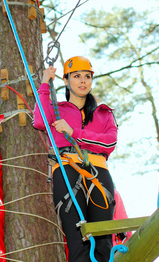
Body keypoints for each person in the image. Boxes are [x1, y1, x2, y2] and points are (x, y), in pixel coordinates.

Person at [33, 56, 117, 262]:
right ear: (66, 81)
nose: (82, 81)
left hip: (98, 172)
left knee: (103, 238)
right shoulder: (56, 110)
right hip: (67, 171)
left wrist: (74, 132)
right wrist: (45, 83)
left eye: (87, 76)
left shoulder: (103, 113)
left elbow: (109, 142)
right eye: (76, 76)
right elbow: (38, 121)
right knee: (77, 237)